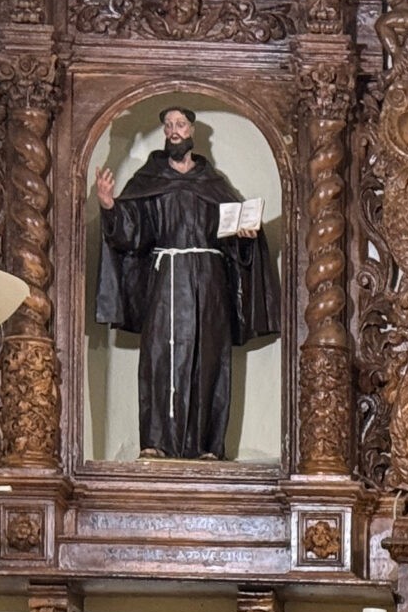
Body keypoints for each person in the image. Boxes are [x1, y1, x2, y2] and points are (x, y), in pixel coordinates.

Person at [91, 107, 281, 461]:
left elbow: (234, 237)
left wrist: (245, 236)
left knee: (209, 359)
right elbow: (132, 234)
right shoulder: (149, 179)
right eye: (168, 126)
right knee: (159, 358)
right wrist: (109, 207)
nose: (174, 131)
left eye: (180, 125)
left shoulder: (215, 183)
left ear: (192, 130)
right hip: (166, 279)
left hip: (209, 282)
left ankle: (208, 446)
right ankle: (155, 442)